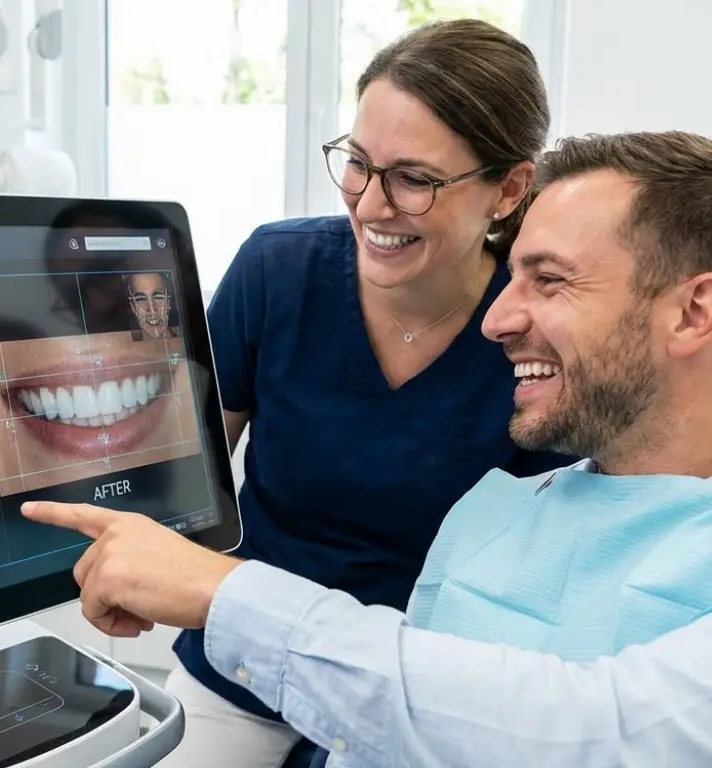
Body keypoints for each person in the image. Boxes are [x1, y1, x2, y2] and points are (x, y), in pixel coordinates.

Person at [23, 130, 712, 767]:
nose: (499, 319)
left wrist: (222, 592)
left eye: (547, 281)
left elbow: (606, 738)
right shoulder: (493, 514)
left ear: (695, 311)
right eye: (509, 278)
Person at [126, 18, 570, 765]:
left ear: (509, 188)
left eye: (414, 179)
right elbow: (183, 484)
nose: (369, 203)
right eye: (358, 163)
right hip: (244, 664)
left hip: (419, 690)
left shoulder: (537, 334)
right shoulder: (279, 270)